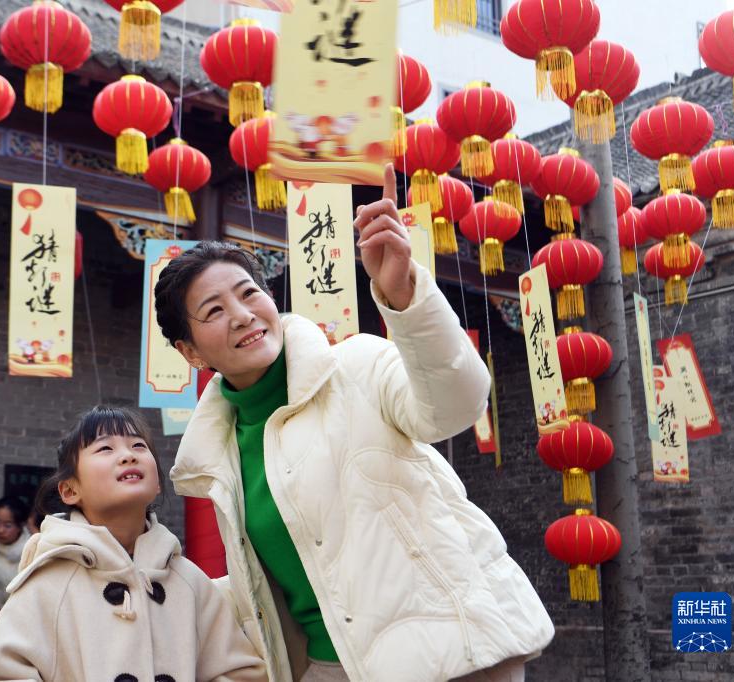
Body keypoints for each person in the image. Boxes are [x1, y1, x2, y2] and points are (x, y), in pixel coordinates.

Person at [156, 165, 555, 682]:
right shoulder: (219, 453)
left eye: (249, 293)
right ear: (190, 351)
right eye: (213, 310)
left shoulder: (358, 366)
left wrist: (405, 297)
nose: (242, 314)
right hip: (333, 666)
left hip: (454, 653)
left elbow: (456, 404)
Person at [0, 406, 267, 682]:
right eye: (105, 448)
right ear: (70, 490)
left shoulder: (189, 582)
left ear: (157, 484)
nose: (128, 456)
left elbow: (239, 672)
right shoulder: (48, 584)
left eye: (138, 446)